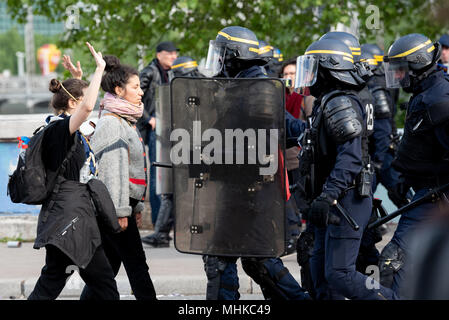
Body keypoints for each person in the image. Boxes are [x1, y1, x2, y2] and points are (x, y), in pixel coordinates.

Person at [200, 26, 310, 300]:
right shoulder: (241, 84)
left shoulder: (258, 88)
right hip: (242, 188)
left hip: (249, 191)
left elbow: (287, 129)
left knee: (224, 258)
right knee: (256, 259)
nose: (220, 61)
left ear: (235, 56)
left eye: (223, 54)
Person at [286, 37, 398, 299]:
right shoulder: (330, 100)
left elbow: (351, 158)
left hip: (344, 199)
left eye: (314, 68)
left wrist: (328, 196)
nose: (309, 76)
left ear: (329, 68)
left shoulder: (340, 102)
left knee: (340, 274)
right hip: (332, 200)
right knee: (320, 273)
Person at [28, 43, 120, 300]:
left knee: (54, 280)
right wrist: (99, 69)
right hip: (70, 219)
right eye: (80, 100)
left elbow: (82, 112)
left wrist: (77, 81)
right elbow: (87, 108)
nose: (89, 105)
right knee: (103, 285)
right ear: (71, 103)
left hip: (67, 216)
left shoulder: (60, 129)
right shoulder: (59, 131)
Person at [80, 55, 157, 300]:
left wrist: (137, 204)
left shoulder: (123, 120)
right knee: (137, 266)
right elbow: (114, 172)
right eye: (135, 87)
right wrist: (121, 212)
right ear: (118, 90)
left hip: (121, 206)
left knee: (108, 269)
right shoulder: (113, 123)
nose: (141, 92)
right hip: (115, 208)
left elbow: (132, 170)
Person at [379, 33, 449, 298]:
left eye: (401, 70)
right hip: (423, 194)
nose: (397, 77)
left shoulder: (439, 100)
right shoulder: (427, 92)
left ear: (417, 64)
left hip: (436, 198)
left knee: (393, 264)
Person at [142, 56, 202, 248]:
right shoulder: (199, 91)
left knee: (182, 192)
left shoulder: (193, 94)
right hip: (187, 148)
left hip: (193, 149)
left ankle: (170, 233)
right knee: (175, 191)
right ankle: (162, 233)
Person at [137, 41, 178, 227]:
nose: (174, 57)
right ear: (159, 54)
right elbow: (135, 97)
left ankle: (166, 223)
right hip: (156, 128)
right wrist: (149, 119)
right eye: (170, 53)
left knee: (169, 175)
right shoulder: (149, 71)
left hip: (170, 128)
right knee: (158, 175)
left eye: (175, 54)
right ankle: (158, 224)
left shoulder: (171, 72)